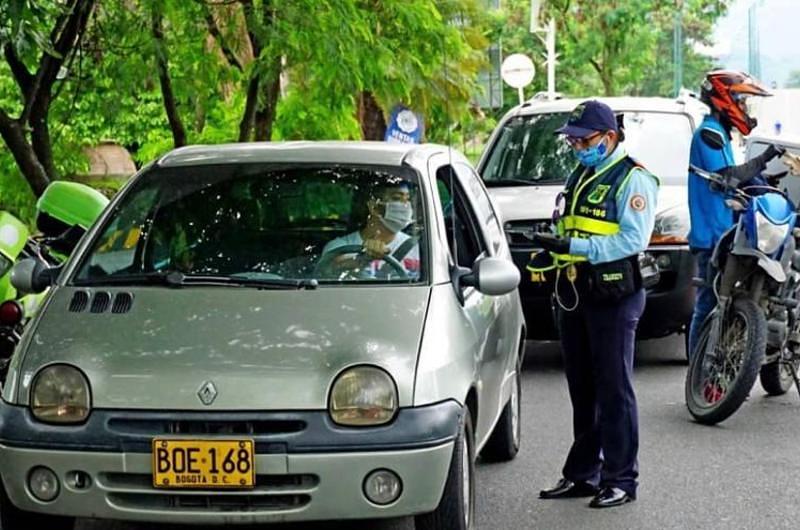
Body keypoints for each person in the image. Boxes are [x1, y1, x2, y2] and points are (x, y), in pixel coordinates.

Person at [530, 100, 659, 508]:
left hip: (613, 295)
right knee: (583, 389)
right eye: (572, 141)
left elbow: (631, 241)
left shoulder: (632, 179)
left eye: (584, 140)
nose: (577, 147)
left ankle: (621, 479)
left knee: (614, 389)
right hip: (575, 292)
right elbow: (567, 224)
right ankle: (583, 474)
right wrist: (549, 252)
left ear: (609, 136)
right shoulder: (581, 173)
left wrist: (575, 246)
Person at [687, 70, 788, 358]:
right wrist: (765, 157)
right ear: (725, 100)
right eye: (742, 102)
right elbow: (729, 177)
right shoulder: (708, 134)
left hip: (726, 233)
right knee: (708, 305)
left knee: (725, 303)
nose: (745, 109)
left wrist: (767, 182)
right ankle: (700, 369)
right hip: (710, 236)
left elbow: (741, 180)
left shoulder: (720, 135)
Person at [319, 181, 420, 279]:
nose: (407, 206)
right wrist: (362, 259)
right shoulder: (339, 247)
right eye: (397, 198)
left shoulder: (418, 247)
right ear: (374, 207)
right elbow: (333, 268)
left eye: (408, 199)